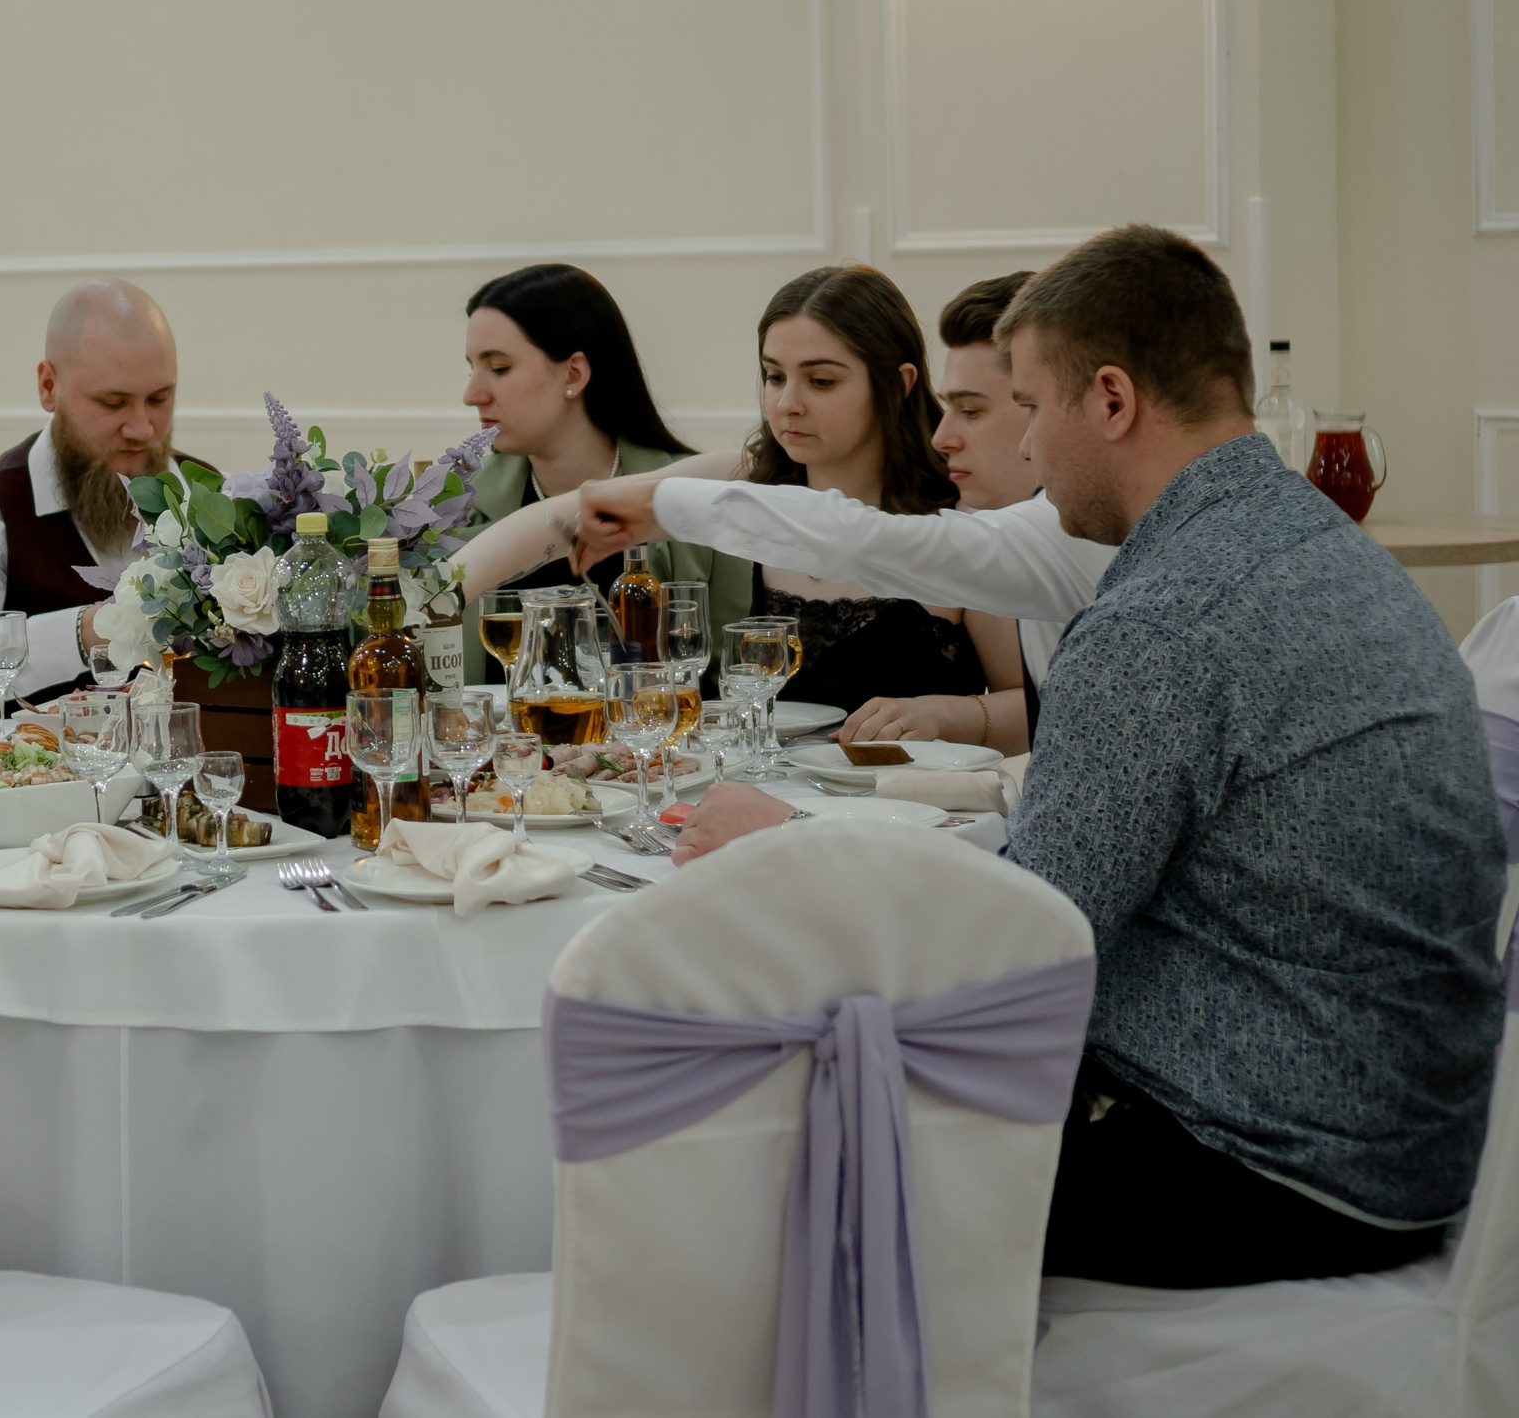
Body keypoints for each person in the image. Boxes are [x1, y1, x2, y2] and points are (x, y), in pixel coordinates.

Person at [662, 225, 1505, 1286]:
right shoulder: (1317, 546)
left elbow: (1017, 939)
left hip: (1272, 1166)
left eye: (1027, 408)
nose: (1021, 449)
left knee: (767, 1154)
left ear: (1108, 401)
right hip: (1402, 1133)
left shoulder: (1164, 616)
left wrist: (785, 843)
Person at [567, 275, 1115, 701]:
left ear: (898, 385)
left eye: (822, 381)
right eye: (774, 377)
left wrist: (961, 717)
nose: (787, 404)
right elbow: (569, 513)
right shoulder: (739, 478)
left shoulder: (989, 522)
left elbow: (854, 537)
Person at [452, 264, 751, 677]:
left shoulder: (697, 498)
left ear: (574, 373)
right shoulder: (459, 509)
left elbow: (732, 675)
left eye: (499, 367)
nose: (472, 394)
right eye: (472, 367)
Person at [0, 278, 181, 698]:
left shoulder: (211, 498)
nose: (141, 428)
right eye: (112, 403)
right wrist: (85, 632)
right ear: (49, 386)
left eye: (159, 399)